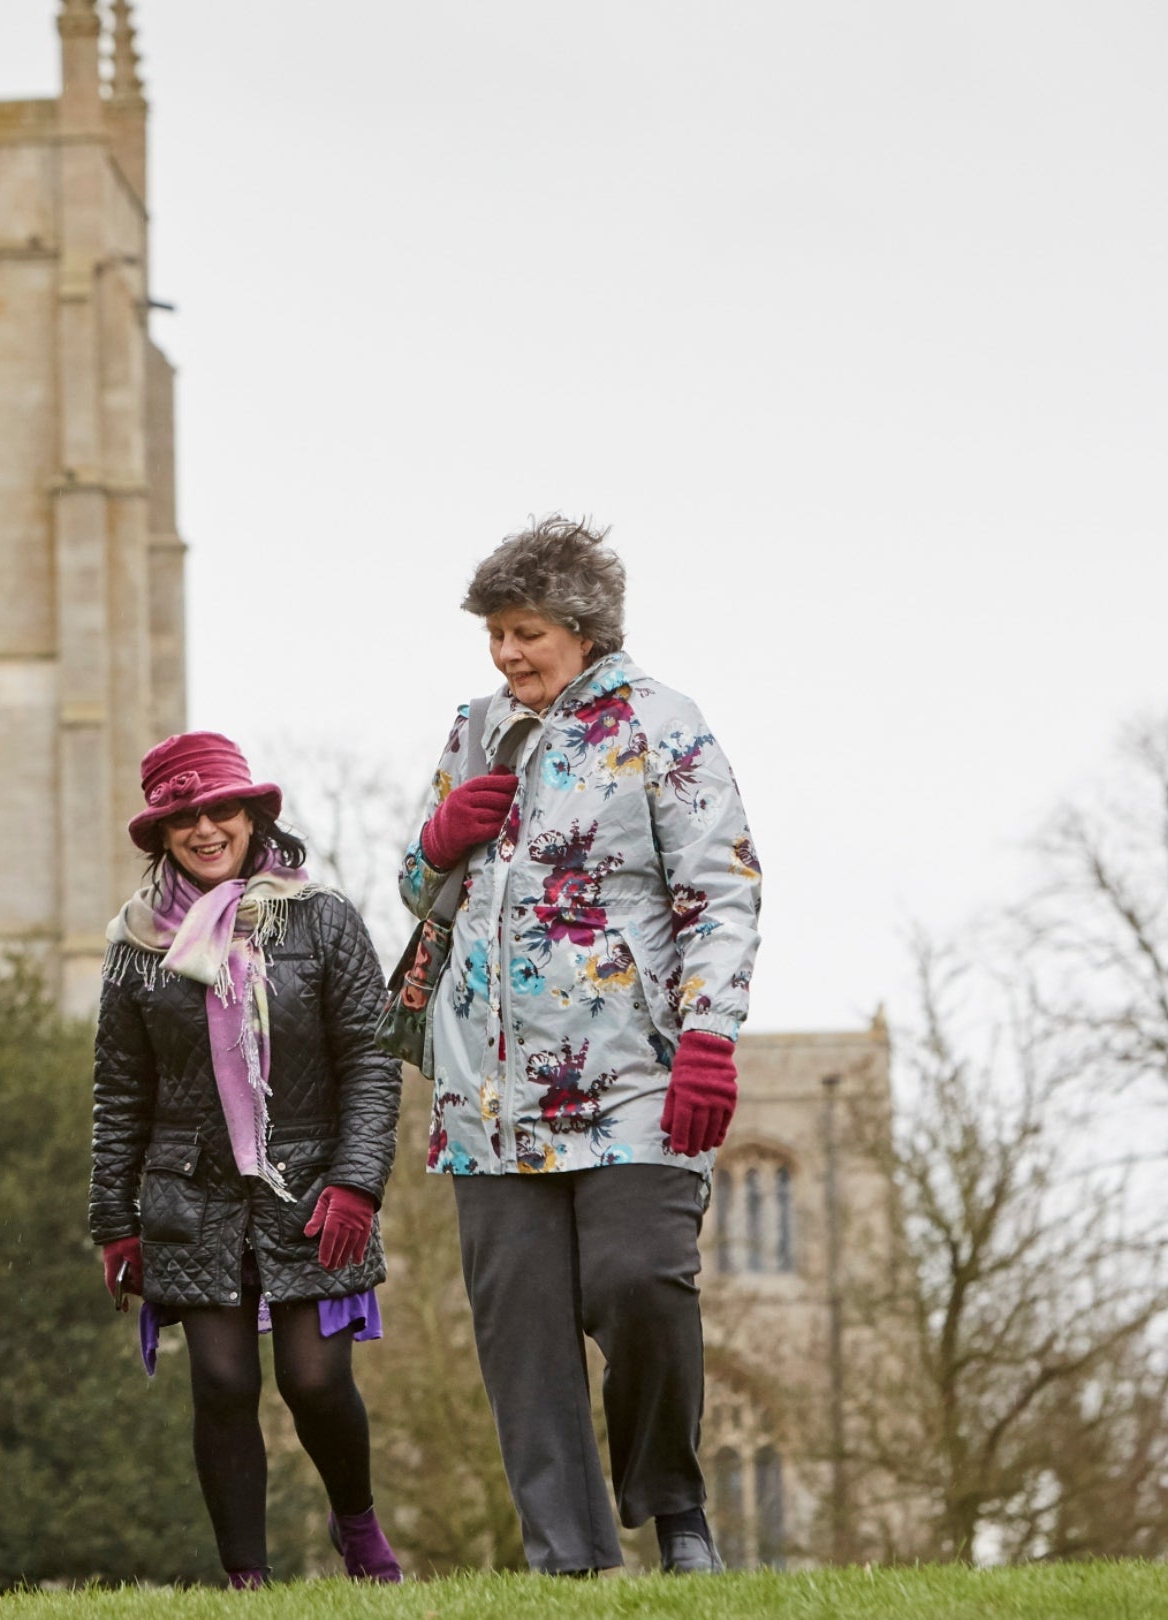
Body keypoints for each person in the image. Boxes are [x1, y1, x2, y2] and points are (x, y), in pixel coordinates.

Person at [397, 518, 762, 1576]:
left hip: (634, 1079)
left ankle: (674, 1506)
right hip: (490, 1094)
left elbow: (721, 886)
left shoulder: (662, 726)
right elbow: (419, 893)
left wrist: (710, 1036)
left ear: (584, 629)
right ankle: (568, 1560)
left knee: (641, 1281)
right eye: (497, 637)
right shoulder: (473, 732)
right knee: (523, 1336)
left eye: (526, 633)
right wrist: (436, 844)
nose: (509, 657)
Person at [88, 730, 405, 1589]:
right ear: (160, 833)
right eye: (181, 816)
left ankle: (358, 1526)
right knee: (223, 1384)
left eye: (219, 809)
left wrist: (357, 1183)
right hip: (189, 1196)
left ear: (252, 814)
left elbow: (371, 1063)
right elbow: (120, 1097)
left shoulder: (324, 919)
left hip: (310, 1188)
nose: (203, 829)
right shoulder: (134, 950)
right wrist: (114, 1225)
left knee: (313, 1380)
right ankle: (246, 1581)